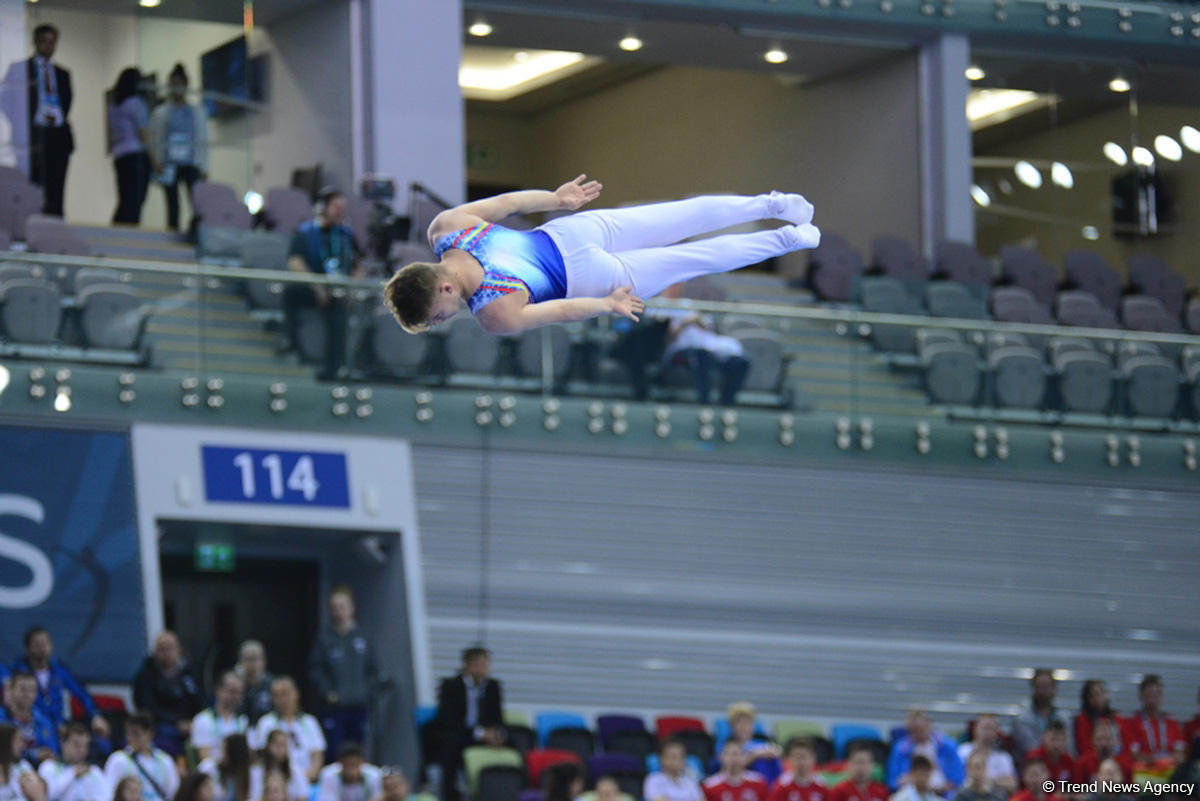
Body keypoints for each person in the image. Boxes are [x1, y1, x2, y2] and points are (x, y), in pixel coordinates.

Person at [383, 178, 820, 335]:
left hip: (590, 278)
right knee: (679, 216)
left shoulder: (493, 314)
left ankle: (789, 239)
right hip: (566, 232)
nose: (446, 320)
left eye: (438, 316)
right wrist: (555, 199)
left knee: (694, 258)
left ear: (442, 288)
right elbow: (511, 203)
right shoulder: (446, 227)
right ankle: (773, 204)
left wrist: (607, 305)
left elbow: (565, 311)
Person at [283, 188, 363, 380]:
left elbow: (358, 265)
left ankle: (335, 369)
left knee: (339, 315)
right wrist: (316, 287)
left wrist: (351, 287)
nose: (340, 211)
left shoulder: (345, 235)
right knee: (290, 293)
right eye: (336, 207)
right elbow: (295, 262)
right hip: (313, 287)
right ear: (323, 207)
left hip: (338, 290)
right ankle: (290, 344)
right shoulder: (306, 232)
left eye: (342, 208)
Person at [309, 586, 378, 763]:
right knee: (334, 752)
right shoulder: (325, 638)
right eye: (335, 607)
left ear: (352, 607)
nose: (339, 611)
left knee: (358, 752)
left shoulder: (364, 637)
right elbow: (316, 670)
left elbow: (374, 670)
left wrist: (366, 692)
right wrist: (327, 693)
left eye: (342, 606)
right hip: (334, 708)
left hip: (359, 706)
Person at [11, 628, 110, 748]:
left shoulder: (59, 670)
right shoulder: (19, 671)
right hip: (33, 725)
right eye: (36, 644)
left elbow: (81, 693)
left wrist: (95, 715)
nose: (42, 648)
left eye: (45, 643)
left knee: (99, 743)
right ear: (27, 649)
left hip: (59, 725)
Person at [655, 284, 752, 406]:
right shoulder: (656, 305)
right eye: (673, 285)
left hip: (708, 345)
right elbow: (668, 337)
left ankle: (727, 402)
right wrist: (685, 322)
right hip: (680, 350)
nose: (676, 288)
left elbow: (707, 327)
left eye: (679, 285)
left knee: (740, 361)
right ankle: (704, 403)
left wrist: (697, 321)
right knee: (702, 356)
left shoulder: (687, 304)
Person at [430, 646, 504, 801]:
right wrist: (479, 733)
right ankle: (450, 795)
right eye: (479, 664)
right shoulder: (450, 686)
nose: (484, 669)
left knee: (515, 742)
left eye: (486, 664)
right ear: (467, 665)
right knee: (450, 747)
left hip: (484, 735)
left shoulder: (492, 687)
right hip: (459, 734)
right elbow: (448, 720)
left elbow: (497, 717)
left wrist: (495, 733)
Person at [148, 63, 207, 232]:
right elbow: (156, 139)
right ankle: (172, 232)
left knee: (196, 202)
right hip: (169, 164)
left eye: (179, 84)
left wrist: (204, 167)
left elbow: (202, 141)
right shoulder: (161, 113)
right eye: (173, 84)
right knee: (172, 204)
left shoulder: (196, 113)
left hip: (190, 163)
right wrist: (157, 162)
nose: (176, 88)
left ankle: (197, 233)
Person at [131, 632, 204, 758]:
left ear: (179, 649)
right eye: (162, 649)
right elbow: (147, 706)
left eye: (170, 648)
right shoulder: (146, 675)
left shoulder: (189, 673)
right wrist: (176, 722)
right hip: (162, 725)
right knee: (167, 735)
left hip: (189, 723)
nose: (166, 653)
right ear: (155, 652)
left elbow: (201, 700)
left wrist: (195, 722)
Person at [26, 24, 72, 217]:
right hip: (34, 135)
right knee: (35, 183)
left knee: (57, 184)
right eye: (45, 42)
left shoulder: (62, 73)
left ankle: (56, 223)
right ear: (36, 42)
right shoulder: (23, 69)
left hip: (58, 134)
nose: (49, 47)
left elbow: (67, 100)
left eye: (52, 43)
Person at [249, 679, 324, 785]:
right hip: (276, 783)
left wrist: (307, 778)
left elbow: (317, 756)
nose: (282, 699)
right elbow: (260, 756)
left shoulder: (309, 722)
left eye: (285, 694)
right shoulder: (266, 722)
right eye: (277, 695)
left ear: (297, 694)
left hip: (305, 780)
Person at [108, 68, 151, 225]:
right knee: (135, 200)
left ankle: (117, 233)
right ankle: (130, 234)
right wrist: (154, 159)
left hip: (120, 156)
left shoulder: (114, 105)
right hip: (135, 156)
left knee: (125, 199)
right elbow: (144, 134)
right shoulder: (136, 103)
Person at [103, 713, 179, 801]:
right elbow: (109, 794)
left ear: (150, 733)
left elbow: (174, 793)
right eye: (128, 733)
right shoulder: (118, 760)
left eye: (136, 734)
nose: (130, 738)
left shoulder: (165, 760)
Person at [886, 709, 963, 794]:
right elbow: (892, 782)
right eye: (913, 731)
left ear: (928, 724)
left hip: (943, 794)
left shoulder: (948, 747)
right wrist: (901, 782)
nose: (918, 734)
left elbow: (958, 780)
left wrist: (943, 787)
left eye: (920, 729)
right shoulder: (900, 749)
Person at [1121, 675, 1186, 766]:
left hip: (1170, 772)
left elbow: (1180, 753)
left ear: (1161, 696)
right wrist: (1157, 761)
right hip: (1144, 773)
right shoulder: (1131, 723)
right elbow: (1133, 754)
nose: (1152, 699)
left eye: (1156, 694)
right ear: (1141, 696)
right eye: (1149, 695)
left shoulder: (1172, 722)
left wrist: (1166, 761)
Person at [37, 723, 108, 801]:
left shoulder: (94, 771)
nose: (82, 750)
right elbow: (47, 794)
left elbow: (108, 797)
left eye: (85, 746)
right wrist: (72, 774)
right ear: (63, 743)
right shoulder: (48, 767)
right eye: (76, 745)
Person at [0, 672, 58, 764]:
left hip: (37, 772)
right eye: (23, 689)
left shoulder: (44, 721)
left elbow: (52, 751)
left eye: (32, 690)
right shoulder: (2, 719)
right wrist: (33, 754)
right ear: (10, 690)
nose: (27, 694)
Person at [192, 673, 248, 762]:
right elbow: (203, 756)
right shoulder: (203, 719)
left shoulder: (243, 720)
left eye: (239, 693)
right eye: (232, 691)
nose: (236, 697)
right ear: (218, 691)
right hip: (215, 770)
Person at [1013, 670, 1067, 759]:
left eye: (1046, 687)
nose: (1043, 691)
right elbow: (1029, 748)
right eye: (1039, 687)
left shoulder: (1063, 717)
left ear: (1054, 689)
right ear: (1033, 688)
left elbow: (1068, 747)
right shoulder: (1022, 719)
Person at [954, 717, 1014, 794]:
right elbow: (956, 780)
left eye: (991, 729)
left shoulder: (1003, 757)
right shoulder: (963, 751)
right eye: (985, 728)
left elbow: (1011, 785)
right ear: (975, 729)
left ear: (996, 732)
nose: (988, 732)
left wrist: (983, 781)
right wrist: (996, 781)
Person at [249, 731, 308, 801]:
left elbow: (303, 797)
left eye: (283, 745)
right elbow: (253, 797)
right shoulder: (257, 771)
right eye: (277, 745)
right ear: (268, 746)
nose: (280, 749)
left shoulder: (296, 771)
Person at [703, 740, 769, 801]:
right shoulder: (710, 786)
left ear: (744, 757)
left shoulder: (759, 782)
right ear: (721, 757)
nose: (733, 758)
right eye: (728, 754)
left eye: (736, 754)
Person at [1073, 721, 1133, 785]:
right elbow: (1076, 791)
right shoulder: (1083, 763)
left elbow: (1133, 790)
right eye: (1099, 739)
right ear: (1092, 741)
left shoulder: (1125, 764)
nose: (1103, 743)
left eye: (1107, 739)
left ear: (1114, 741)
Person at [197, 734, 251, 801]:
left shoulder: (249, 773)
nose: (222, 756)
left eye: (225, 752)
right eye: (221, 750)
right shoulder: (210, 768)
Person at [1074, 681, 1120, 759]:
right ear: (1089, 699)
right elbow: (1083, 748)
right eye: (1096, 694)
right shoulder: (1082, 720)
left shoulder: (1115, 717)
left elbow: (1121, 745)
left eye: (1103, 692)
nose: (1101, 696)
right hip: (1092, 761)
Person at [1, 723, 46, 801]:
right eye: (17, 740)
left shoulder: (23, 765)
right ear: (5, 742)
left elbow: (40, 790)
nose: (22, 745)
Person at [234, 643, 273, 725]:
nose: (251, 664)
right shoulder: (233, 685)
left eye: (255, 659)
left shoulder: (271, 684)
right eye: (248, 659)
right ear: (240, 662)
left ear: (263, 661)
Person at [1025, 721, 1074, 786]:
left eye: (1061, 740)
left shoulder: (1068, 760)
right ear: (1044, 737)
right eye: (1053, 739)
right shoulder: (1033, 757)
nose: (1057, 744)